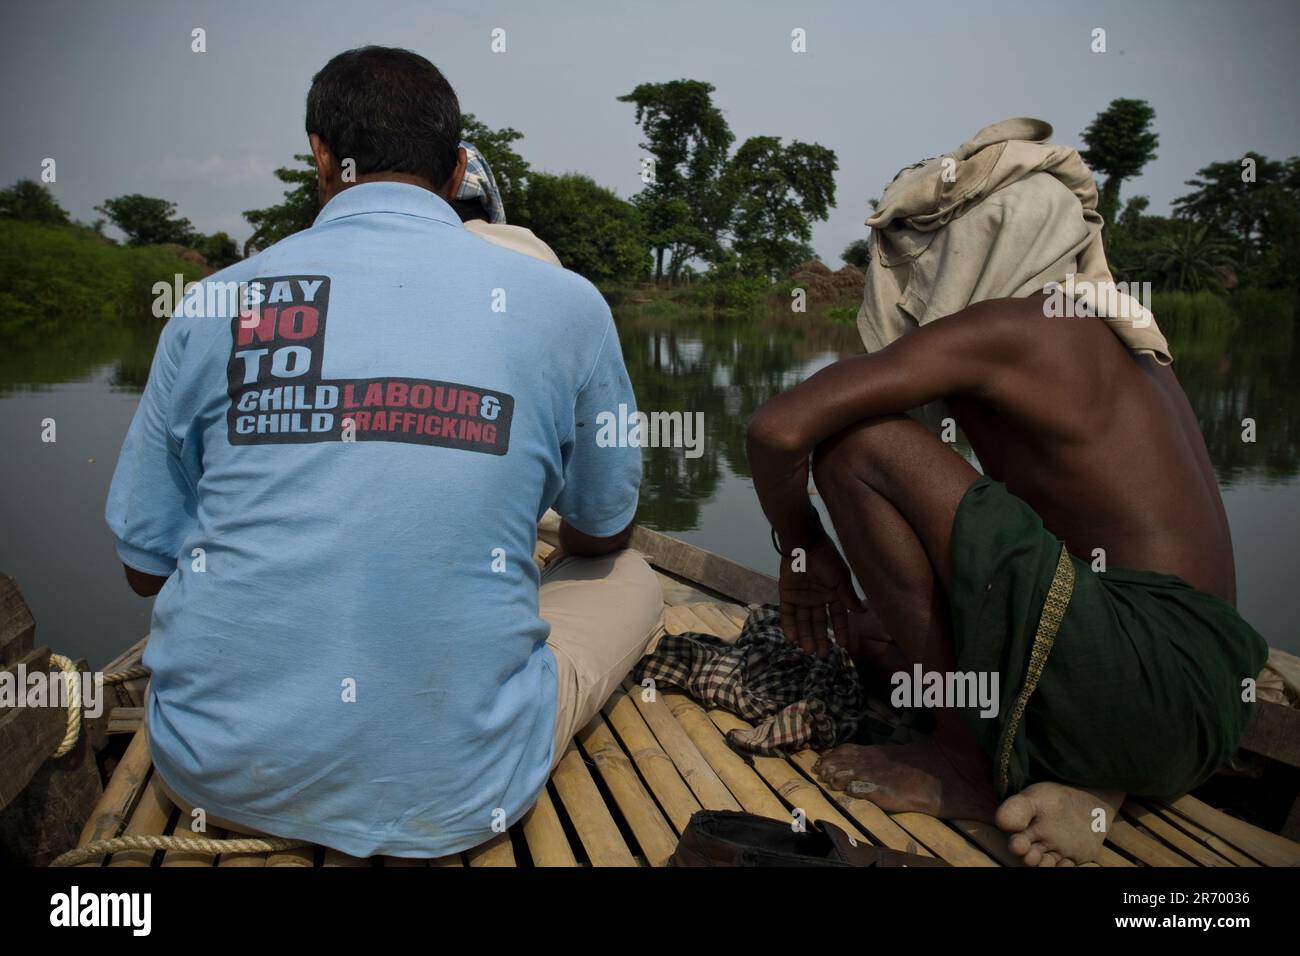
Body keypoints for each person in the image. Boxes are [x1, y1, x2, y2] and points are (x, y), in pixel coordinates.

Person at [105, 46, 662, 859]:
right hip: (459, 795)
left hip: (211, 774)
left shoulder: (216, 300)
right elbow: (605, 528)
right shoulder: (566, 303)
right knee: (634, 575)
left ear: (321, 156)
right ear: (459, 167)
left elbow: (145, 568)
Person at [746, 300, 1267, 867]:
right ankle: (1092, 781)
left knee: (855, 444)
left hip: (1132, 672)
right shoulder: (1131, 345)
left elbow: (778, 429)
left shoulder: (1016, 321)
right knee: (866, 631)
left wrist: (804, 548)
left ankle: (964, 764)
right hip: (1210, 708)